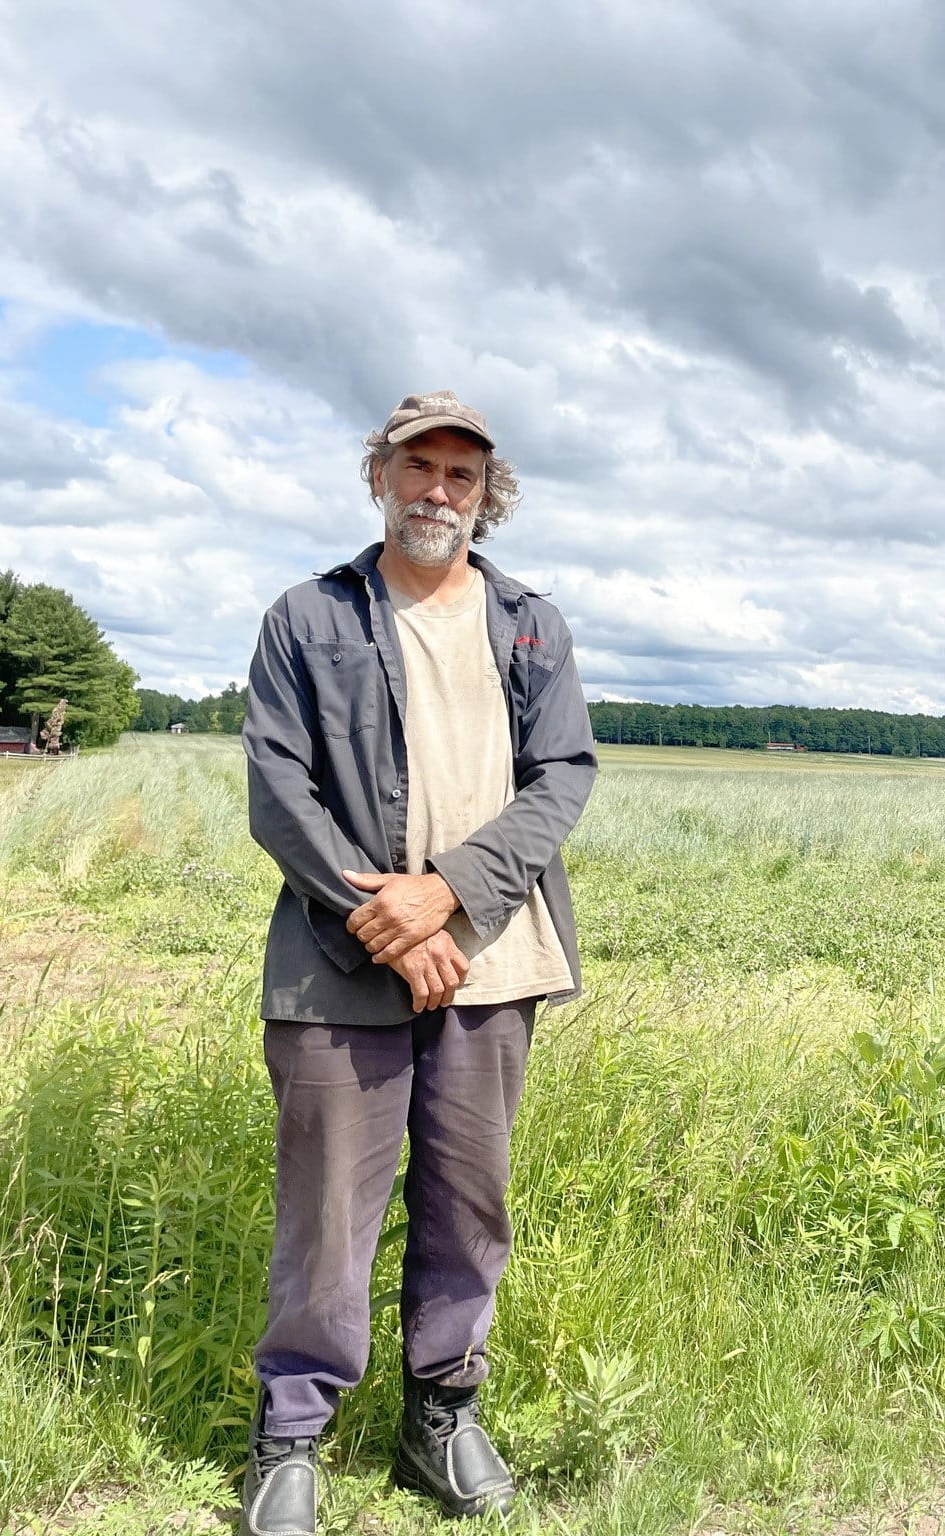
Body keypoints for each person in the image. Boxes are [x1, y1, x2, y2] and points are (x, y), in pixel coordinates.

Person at [238, 391, 597, 1533]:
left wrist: (449, 895)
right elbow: (277, 790)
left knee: (465, 1205)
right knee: (326, 1211)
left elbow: (564, 776)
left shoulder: (530, 621)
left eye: (461, 475)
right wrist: (383, 920)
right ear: (378, 477)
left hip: (493, 961)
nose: (437, 490)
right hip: (339, 964)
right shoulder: (308, 617)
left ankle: (440, 1414)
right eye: (417, 468)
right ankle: (290, 1437)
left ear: (487, 496)